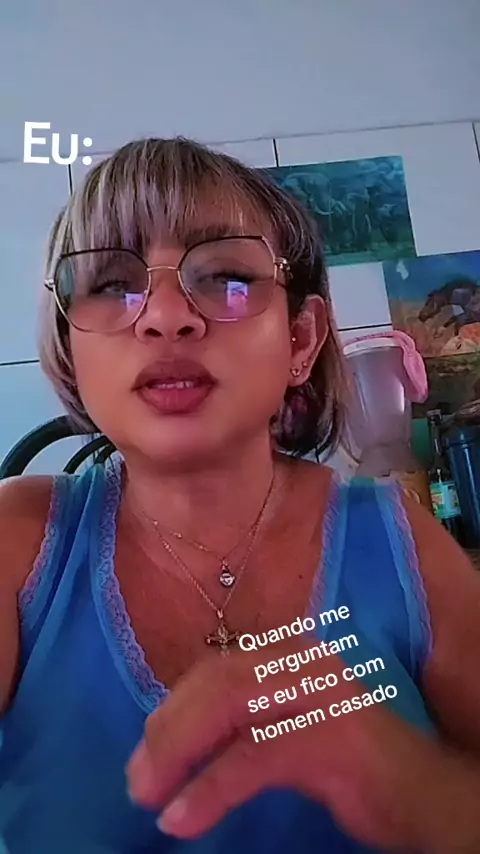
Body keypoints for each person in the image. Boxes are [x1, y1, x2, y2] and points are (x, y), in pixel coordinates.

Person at [0, 138, 479, 854]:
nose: (166, 317)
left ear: (300, 340)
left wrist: (421, 790)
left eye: (225, 275)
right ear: (71, 347)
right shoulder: (17, 543)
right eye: (112, 282)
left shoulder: (403, 541)